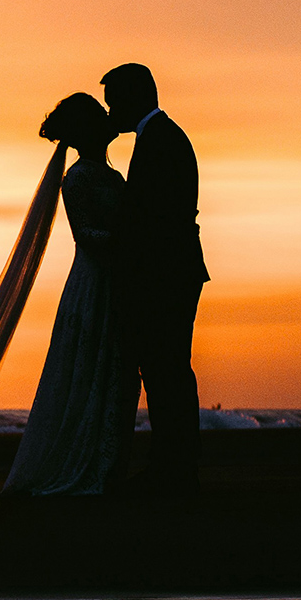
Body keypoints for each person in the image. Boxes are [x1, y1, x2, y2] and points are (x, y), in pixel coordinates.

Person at [1, 93, 128, 495]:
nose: (109, 118)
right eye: (99, 115)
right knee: (89, 371)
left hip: (118, 283)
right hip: (95, 286)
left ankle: (106, 463)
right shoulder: (77, 179)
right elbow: (86, 235)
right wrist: (132, 238)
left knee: (113, 375)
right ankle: (83, 464)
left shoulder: (113, 176)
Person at [101, 63, 209, 497]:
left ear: (134, 98)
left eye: (115, 105)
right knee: (167, 370)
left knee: (167, 371)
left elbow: (155, 219)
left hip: (167, 275)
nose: (112, 115)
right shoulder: (162, 138)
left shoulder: (161, 142)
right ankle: (174, 465)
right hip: (173, 272)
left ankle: (174, 469)